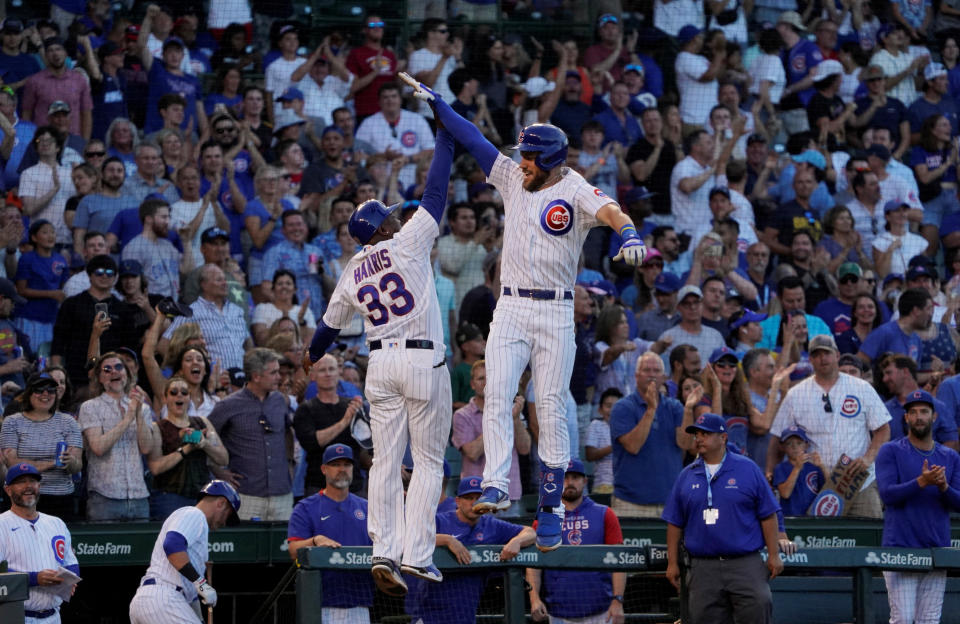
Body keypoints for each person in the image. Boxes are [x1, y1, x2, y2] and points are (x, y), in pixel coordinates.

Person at [407, 73, 647, 552]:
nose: (523, 162)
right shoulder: (515, 176)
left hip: (557, 311)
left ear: (554, 161)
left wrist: (630, 236)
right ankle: (495, 481)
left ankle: (552, 506)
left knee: (552, 403)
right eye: (523, 154)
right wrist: (440, 105)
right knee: (497, 392)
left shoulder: (575, 189)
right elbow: (474, 140)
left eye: (532, 156)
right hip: (512, 305)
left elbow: (613, 213)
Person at [307, 116, 455, 595]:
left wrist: (311, 357)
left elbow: (325, 334)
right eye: (392, 215)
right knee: (430, 462)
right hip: (422, 359)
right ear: (385, 225)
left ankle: (383, 553)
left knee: (387, 463)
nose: (399, 216)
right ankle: (417, 556)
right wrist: (445, 139)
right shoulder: (406, 241)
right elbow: (435, 195)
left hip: (380, 366)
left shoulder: (351, 267)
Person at [663, 412, 783, 623]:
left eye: (706, 434)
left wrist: (774, 554)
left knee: (758, 606)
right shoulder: (687, 474)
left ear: (723, 437)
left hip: (744, 563)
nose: (699, 438)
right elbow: (674, 522)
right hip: (703, 566)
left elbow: (768, 514)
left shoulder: (747, 468)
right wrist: (672, 562)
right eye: (697, 434)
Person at [768, 334, 890, 518]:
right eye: (816, 354)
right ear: (810, 359)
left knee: (870, 541)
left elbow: (883, 429)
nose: (822, 358)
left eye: (827, 353)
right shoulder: (796, 394)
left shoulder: (861, 388)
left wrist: (867, 458)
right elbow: (777, 439)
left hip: (857, 483)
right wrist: (770, 474)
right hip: (816, 486)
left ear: (837, 355)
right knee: (821, 543)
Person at [875, 389, 960, 624]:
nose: (918, 416)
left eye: (924, 411)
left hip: (936, 549)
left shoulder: (949, 456)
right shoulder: (890, 450)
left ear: (934, 417)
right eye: (913, 412)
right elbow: (887, 494)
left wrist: (943, 487)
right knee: (903, 619)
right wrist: (922, 482)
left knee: (929, 620)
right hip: (901, 547)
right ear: (906, 418)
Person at [404, 476, 536, 624]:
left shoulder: (491, 525)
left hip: (466, 615)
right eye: (468, 498)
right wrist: (447, 540)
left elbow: (530, 532)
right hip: (429, 614)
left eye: (478, 497)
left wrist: (516, 541)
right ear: (457, 501)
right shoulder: (440, 520)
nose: (473, 503)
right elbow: (410, 537)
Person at [527, 459, 626, 624]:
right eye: (565, 478)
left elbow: (619, 561)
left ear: (585, 481)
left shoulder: (605, 514)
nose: (570, 482)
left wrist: (618, 600)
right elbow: (534, 564)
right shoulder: (545, 517)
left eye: (575, 477)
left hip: (601, 611)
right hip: (558, 613)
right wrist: (534, 598)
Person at [128, 480, 239, 624]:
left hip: (156, 600)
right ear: (221, 503)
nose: (224, 523)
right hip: (164, 598)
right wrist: (202, 583)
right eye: (228, 515)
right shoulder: (194, 514)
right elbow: (173, 545)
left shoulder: (196, 525)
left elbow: (191, 594)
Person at [285, 442, 375, 618]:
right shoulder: (305, 508)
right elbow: (293, 551)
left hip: (360, 603)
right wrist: (314, 541)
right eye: (335, 464)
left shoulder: (367, 508)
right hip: (320, 604)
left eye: (346, 464)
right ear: (324, 469)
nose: (342, 469)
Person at [207, 348, 293, 521]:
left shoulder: (280, 400)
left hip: (282, 494)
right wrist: (217, 471)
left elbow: (288, 434)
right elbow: (206, 440)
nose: (279, 377)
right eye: (274, 372)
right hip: (246, 494)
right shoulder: (227, 406)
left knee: (282, 546)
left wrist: (290, 464)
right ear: (256, 376)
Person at [609, 353, 691, 518]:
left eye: (656, 370)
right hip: (630, 503)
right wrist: (651, 410)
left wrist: (689, 408)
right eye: (646, 370)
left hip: (670, 502)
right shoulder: (623, 407)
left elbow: (686, 444)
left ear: (664, 376)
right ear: (636, 375)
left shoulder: (675, 407)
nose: (652, 374)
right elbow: (633, 446)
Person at [78, 352, 156, 521]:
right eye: (107, 369)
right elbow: (98, 447)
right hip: (104, 498)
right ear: (99, 378)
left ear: (127, 374)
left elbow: (146, 448)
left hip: (139, 496)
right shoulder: (90, 407)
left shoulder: (142, 408)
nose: (114, 372)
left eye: (119, 367)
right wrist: (128, 419)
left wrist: (138, 415)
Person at [0, 463, 80, 624]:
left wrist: (67, 579)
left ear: (39, 486)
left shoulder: (56, 523)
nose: (28, 486)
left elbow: (71, 563)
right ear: (8, 490)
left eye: (33, 481)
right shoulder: (1, 524)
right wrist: (36, 578)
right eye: (21, 482)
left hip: (53, 616)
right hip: (15, 616)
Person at [451, 360, 530, 514]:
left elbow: (525, 449)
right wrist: (498, 418)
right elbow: (473, 453)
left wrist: (514, 419)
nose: (486, 383)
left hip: (510, 494)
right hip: (476, 496)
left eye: (491, 378)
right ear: (472, 384)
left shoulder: (510, 412)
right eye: (481, 379)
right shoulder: (462, 415)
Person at [0, 373, 83, 520]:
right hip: (23, 497)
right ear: (29, 393)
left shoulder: (68, 422)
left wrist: (70, 462)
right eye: (39, 389)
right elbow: (12, 464)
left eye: (51, 389)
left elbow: (77, 466)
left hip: (60, 497)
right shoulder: (12, 422)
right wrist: (53, 463)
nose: (45, 393)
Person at [146, 376, 228, 520]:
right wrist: (186, 449)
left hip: (201, 496)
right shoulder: (158, 427)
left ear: (189, 398)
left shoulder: (202, 422)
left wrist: (205, 444)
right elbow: (155, 467)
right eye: (173, 392)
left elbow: (223, 459)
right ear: (165, 399)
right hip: (169, 497)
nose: (179, 395)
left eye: (184, 393)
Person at [293, 354, 369, 495]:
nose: (328, 374)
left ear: (339, 372)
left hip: (354, 487)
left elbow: (365, 444)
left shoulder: (353, 406)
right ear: (313, 376)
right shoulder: (306, 409)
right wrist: (344, 422)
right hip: (319, 487)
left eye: (332, 369)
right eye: (322, 370)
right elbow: (312, 442)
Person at [772, 425, 827, 516]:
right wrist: (797, 468)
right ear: (782, 447)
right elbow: (785, 494)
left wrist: (822, 466)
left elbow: (828, 490)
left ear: (806, 445)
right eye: (789, 443)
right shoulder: (780, 468)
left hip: (812, 518)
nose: (794, 447)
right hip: (790, 518)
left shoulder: (814, 467)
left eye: (799, 443)